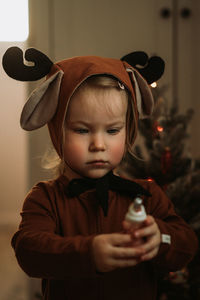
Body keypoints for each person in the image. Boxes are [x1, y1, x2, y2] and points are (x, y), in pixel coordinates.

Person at [2, 47, 198, 300]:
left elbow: (187, 243)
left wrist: (161, 238)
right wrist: (88, 252)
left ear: (128, 131)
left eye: (112, 130)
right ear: (57, 131)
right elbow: (29, 250)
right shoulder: (46, 198)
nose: (98, 145)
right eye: (83, 131)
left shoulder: (147, 195)